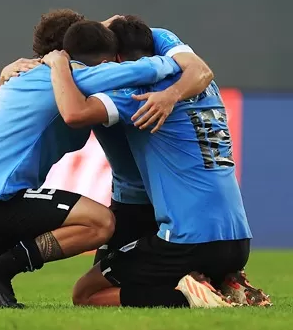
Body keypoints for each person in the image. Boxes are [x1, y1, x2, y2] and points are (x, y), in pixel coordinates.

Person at [0, 9, 188, 308]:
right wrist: (178, 56)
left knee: (45, 217)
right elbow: (144, 70)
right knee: (98, 223)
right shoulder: (74, 76)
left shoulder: (27, 75)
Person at [47, 17, 268, 308]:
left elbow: (74, 112)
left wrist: (58, 63)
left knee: (86, 294)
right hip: (238, 241)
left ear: (116, 59)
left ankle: (194, 298)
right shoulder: (204, 83)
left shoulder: (137, 93)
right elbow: (195, 65)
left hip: (187, 240)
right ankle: (223, 281)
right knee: (134, 271)